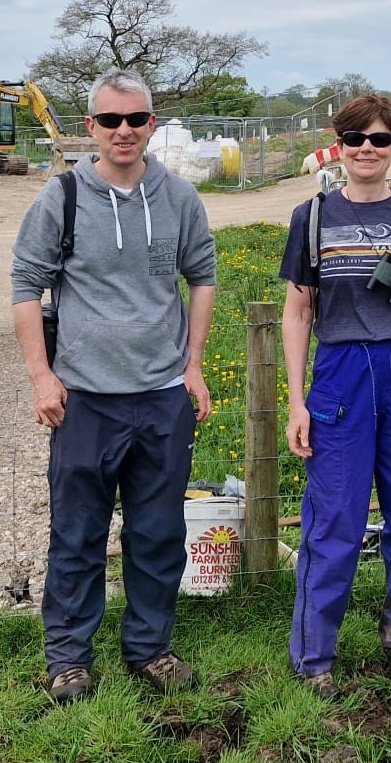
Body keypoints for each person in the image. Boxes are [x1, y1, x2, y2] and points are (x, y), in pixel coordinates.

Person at [10, 68, 216, 703]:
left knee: (157, 531)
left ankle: (150, 649)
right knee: (78, 531)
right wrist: (43, 377)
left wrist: (193, 362)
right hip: (85, 399)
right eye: (110, 120)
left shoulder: (179, 197)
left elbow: (201, 276)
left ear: (151, 124)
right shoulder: (62, 197)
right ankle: (68, 657)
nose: (123, 131)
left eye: (135, 119)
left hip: (160, 397)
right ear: (90, 128)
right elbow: (25, 286)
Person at [280, 95, 391, 699]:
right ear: (339, 143)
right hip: (341, 374)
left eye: (380, 139)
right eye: (355, 137)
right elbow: (298, 311)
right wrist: (296, 400)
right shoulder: (311, 217)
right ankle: (314, 657)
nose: (366, 148)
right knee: (335, 519)